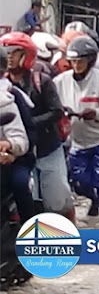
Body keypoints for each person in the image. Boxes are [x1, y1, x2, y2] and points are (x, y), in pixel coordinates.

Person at [0, 33, 75, 222]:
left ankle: (68, 231)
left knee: (57, 199)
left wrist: (30, 124)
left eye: (14, 53)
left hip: (46, 148)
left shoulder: (41, 81)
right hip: (18, 153)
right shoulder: (5, 86)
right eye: (6, 53)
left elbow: (56, 111)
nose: (10, 57)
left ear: (27, 55)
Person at [54, 37, 99, 221]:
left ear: (90, 61)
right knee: (79, 182)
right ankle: (94, 200)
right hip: (77, 142)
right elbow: (52, 104)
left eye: (80, 61)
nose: (76, 65)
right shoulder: (60, 81)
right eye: (73, 61)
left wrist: (96, 113)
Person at [0, 46, 37, 225]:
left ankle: (30, 230)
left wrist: (9, 146)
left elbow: (22, 137)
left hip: (15, 159)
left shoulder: (9, 98)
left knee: (19, 183)